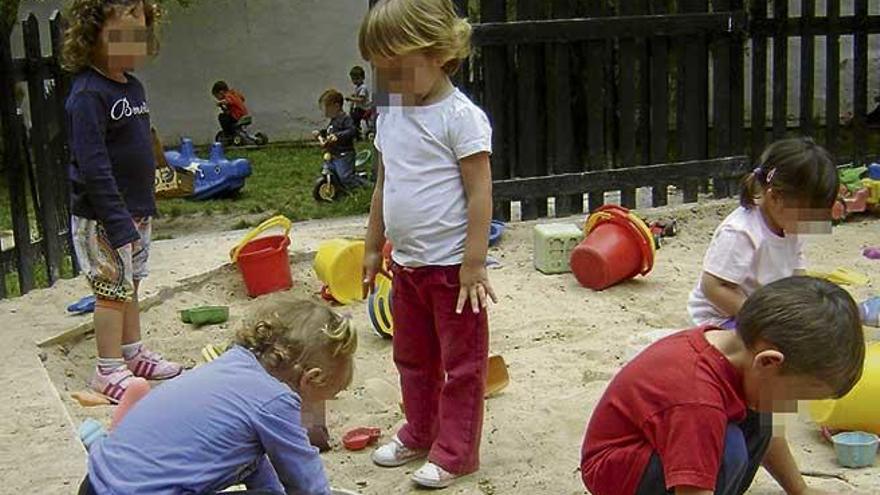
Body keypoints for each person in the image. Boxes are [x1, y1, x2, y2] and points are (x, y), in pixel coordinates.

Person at [359, 0, 496, 488]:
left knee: (462, 367)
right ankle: (420, 431)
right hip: (408, 267)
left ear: (438, 53)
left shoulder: (461, 117)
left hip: (454, 272)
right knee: (411, 358)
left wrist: (474, 264)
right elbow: (383, 185)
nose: (389, 80)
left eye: (398, 68)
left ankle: (457, 453)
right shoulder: (390, 114)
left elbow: (481, 193)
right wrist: (373, 247)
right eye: (382, 70)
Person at [582, 276, 865, 495]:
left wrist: (799, 489)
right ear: (768, 361)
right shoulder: (698, 399)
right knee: (729, 446)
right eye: (797, 397)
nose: (793, 408)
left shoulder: (738, 354)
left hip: (668, 444)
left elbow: (770, 435)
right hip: (620, 473)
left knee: (760, 416)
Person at [78, 298, 356, 495]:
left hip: (94, 484)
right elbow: (306, 482)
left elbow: (253, 464)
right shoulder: (278, 401)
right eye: (323, 399)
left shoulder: (231, 364)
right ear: (309, 380)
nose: (320, 410)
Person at [63, 0, 181, 403]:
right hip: (103, 217)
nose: (133, 44)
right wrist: (116, 220)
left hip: (135, 209)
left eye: (140, 35)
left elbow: (140, 144)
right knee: (110, 292)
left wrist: (146, 202)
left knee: (130, 285)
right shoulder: (87, 94)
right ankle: (108, 368)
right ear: (93, 35)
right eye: (121, 35)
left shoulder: (132, 87)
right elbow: (93, 165)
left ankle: (132, 352)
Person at [688, 137, 838, 328]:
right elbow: (713, 287)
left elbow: (796, 271)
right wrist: (759, 316)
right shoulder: (740, 232)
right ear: (775, 197)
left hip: (763, 307)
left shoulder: (790, 225)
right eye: (807, 215)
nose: (812, 223)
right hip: (721, 317)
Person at [313, 89, 365, 190]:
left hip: (344, 155)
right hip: (333, 154)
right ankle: (337, 188)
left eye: (326, 108)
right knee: (330, 172)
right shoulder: (333, 121)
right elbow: (330, 132)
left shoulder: (345, 119)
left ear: (336, 106)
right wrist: (321, 133)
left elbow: (352, 131)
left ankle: (365, 186)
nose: (324, 111)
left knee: (346, 177)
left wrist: (338, 136)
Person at [346, 66, 372, 138]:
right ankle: (356, 131)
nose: (355, 81)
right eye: (353, 79)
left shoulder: (363, 87)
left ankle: (357, 132)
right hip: (359, 108)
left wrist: (351, 99)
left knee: (355, 118)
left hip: (364, 109)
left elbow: (361, 99)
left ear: (362, 78)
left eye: (357, 79)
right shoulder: (358, 87)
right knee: (353, 116)